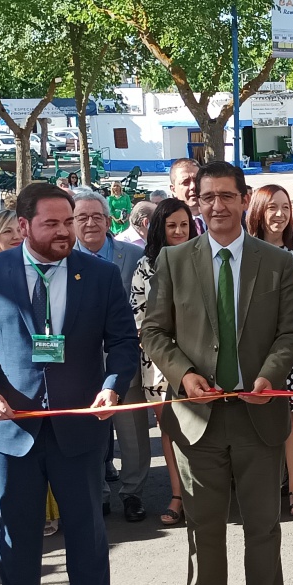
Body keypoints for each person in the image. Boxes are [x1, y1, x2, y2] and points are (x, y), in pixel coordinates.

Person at [0, 181, 140, 585]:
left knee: (86, 525)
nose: (64, 232)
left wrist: (112, 387)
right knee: (17, 528)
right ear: (23, 226)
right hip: (10, 428)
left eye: (68, 221)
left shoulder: (97, 276)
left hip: (79, 424)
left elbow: (123, 343)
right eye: (52, 223)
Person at [141, 161, 293, 585]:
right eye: (207, 197)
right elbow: (153, 331)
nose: (216, 206)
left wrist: (270, 375)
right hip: (197, 416)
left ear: (243, 199)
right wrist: (183, 375)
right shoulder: (173, 261)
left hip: (258, 410)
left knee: (262, 520)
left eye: (226, 196)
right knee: (204, 521)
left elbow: (291, 332)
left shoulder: (276, 262)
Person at [0, 210, 61, 537]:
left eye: (17, 230)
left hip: (46, 388)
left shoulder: (48, 273)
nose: (13, 236)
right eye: (5, 231)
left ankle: (48, 514)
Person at [244, 184, 293, 517]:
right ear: (258, 211)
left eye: (285, 207)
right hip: (251, 346)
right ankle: (261, 487)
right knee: (255, 418)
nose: (279, 214)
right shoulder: (244, 248)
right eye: (272, 207)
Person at [73, 190, 151, 522]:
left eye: (96, 216)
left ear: (109, 220)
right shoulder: (61, 259)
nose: (90, 223)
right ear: (72, 222)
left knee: (132, 431)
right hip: (80, 363)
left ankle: (132, 493)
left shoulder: (134, 254)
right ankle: (98, 493)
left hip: (125, 355)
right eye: (82, 217)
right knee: (89, 432)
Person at [129, 198, 197, 526]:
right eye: (172, 226)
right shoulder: (145, 266)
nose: (179, 231)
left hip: (202, 359)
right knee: (170, 430)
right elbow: (139, 316)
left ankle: (206, 494)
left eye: (184, 224)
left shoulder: (205, 258)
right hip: (157, 362)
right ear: (160, 228)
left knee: (203, 428)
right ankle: (177, 494)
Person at [168, 158, 201, 232]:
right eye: (185, 182)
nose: (193, 186)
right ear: (173, 190)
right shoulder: (166, 224)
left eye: (197, 180)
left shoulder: (220, 218)